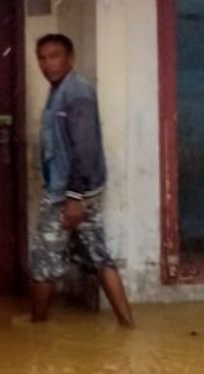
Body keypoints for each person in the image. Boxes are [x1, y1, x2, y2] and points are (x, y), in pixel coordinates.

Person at [31, 34, 134, 327]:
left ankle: (35, 331)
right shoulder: (60, 90)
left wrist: (73, 197)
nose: (47, 63)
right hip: (81, 190)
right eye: (42, 57)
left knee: (44, 263)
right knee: (100, 256)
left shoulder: (77, 92)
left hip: (68, 195)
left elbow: (85, 147)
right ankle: (128, 327)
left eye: (54, 56)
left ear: (70, 58)